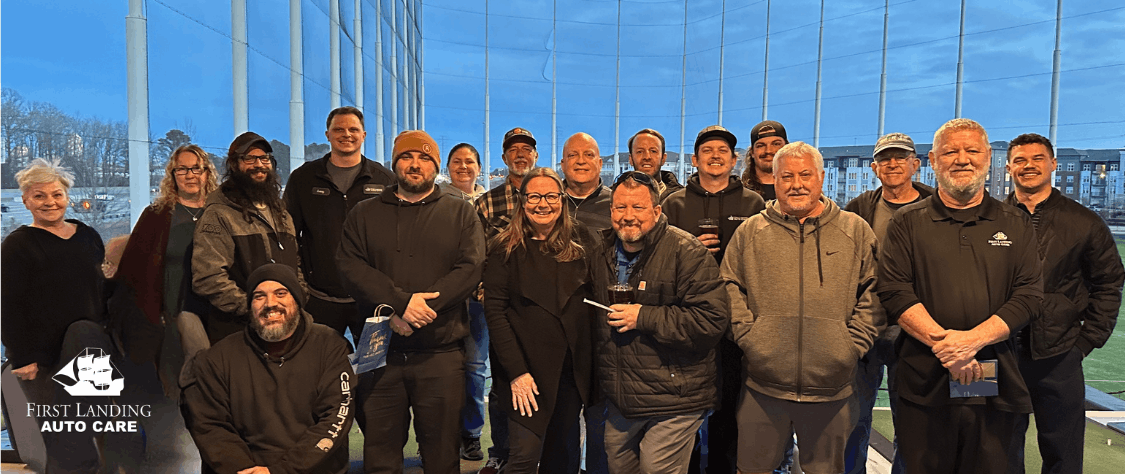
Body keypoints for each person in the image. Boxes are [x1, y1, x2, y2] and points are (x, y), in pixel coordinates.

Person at [878, 118, 1042, 474]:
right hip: (923, 381)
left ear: (988, 158)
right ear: (933, 160)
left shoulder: (1015, 223)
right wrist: (949, 348)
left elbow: (1029, 295)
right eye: (951, 151)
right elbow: (894, 290)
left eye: (972, 151)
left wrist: (971, 342)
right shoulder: (906, 222)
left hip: (995, 380)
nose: (962, 159)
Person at [723, 141, 884, 474]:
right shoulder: (751, 231)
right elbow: (728, 288)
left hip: (832, 390)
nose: (796, 184)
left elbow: (875, 293)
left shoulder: (854, 230)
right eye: (786, 176)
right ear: (774, 180)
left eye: (805, 175)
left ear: (821, 177)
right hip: (762, 388)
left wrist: (850, 346)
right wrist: (751, 339)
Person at [337, 130, 486, 473]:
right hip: (379, 351)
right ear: (395, 164)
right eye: (407, 157)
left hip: (441, 353)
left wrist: (422, 309)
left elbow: (470, 268)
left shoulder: (460, 214)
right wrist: (400, 304)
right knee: (380, 455)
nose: (415, 164)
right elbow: (350, 266)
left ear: (436, 166)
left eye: (424, 158)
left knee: (442, 455)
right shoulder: (363, 213)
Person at [1003, 133, 1124, 474]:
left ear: (1053, 164)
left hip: (1059, 355)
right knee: (995, 449)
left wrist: (1085, 342)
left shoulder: (1084, 222)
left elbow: (1109, 282)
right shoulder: (991, 218)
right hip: (997, 352)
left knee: (1063, 454)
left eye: (1037, 158)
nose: (1029, 165)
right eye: (1020, 160)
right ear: (1009, 167)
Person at [597, 171, 729, 474]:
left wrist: (643, 317)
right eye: (620, 207)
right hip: (622, 397)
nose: (628, 216)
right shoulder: (600, 250)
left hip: (676, 396)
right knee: (618, 467)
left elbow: (711, 320)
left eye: (638, 207)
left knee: (657, 468)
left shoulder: (687, 251)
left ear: (657, 211)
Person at [182, 263, 355, 474]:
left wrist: (281, 471)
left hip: (311, 467)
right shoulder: (218, 358)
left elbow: (336, 416)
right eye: (259, 296)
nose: (270, 304)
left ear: (297, 300)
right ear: (250, 306)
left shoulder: (331, 346)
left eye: (281, 293)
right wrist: (246, 470)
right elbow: (209, 425)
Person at [661, 125, 763, 474]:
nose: (715, 156)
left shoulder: (753, 203)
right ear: (694, 160)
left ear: (735, 160)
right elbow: (658, 259)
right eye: (707, 150)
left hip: (736, 322)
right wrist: (690, 249)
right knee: (684, 409)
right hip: (686, 320)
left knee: (730, 408)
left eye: (723, 151)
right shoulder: (673, 203)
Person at [1, 158, 114, 473]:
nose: (49, 202)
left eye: (56, 194)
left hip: (90, 350)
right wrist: (22, 357)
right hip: (43, 358)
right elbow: (9, 305)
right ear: (26, 200)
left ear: (67, 197)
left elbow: (101, 287)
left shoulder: (87, 235)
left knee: (90, 432)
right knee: (62, 438)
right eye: (39, 196)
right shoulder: (17, 245)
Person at [484, 167, 599, 474]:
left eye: (551, 196)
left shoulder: (583, 240)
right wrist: (517, 373)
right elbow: (495, 314)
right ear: (522, 201)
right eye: (534, 196)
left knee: (563, 456)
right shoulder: (504, 247)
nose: (542, 204)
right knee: (524, 456)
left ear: (562, 199)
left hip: (570, 370)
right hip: (525, 371)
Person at [841, 132, 932, 474]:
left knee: (912, 421)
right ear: (874, 168)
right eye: (885, 159)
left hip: (916, 330)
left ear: (915, 164)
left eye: (900, 157)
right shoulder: (858, 209)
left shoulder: (936, 207)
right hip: (866, 327)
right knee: (853, 419)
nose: (892, 164)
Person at [110, 144, 218, 399]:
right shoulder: (156, 215)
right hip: (170, 314)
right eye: (182, 169)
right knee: (180, 389)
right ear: (172, 175)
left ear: (207, 173)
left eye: (196, 168)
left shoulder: (221, 213)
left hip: (216, 312)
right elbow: (132, 272)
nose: (190, 175)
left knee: (215, 384)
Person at [285, 106, 396, 346]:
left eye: (353, 129)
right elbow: (288, 235)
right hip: (319, 298)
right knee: (319, 363)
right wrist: (300, 284)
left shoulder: (385, 180)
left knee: (373, 364)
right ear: (327, 134)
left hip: (371, 300)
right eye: (339, 129)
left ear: (363, 135)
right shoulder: (303, 179)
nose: (346, 134)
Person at [193, 131, 303, 344]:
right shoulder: (218, 214)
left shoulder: (280, 212)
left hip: (285, 327)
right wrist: (257, 309)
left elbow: (295, 264)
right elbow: (208, 278)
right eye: (249, 158)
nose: (259, 165)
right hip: (238, 332)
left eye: (264, 158)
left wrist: (298, 298)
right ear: (234, 165)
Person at [475, 126, 539, 473]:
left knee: (542, 377)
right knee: (501, 382)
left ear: (535, 156)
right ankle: (500, 451)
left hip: (539, 306)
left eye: (526, 149)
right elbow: (476, 256)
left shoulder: (550, 195)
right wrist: (484, 294)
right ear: (504, 158)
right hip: (501, 306)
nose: (520, 155)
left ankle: (538, 452)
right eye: (513, 150)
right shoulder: (487, 202)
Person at [440, 142, 490, 461]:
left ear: (479, 168)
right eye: (457, 161)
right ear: (447, 167)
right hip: (443, 300)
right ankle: (440, 435)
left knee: (474, 368)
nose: (463, 166)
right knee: (441, 369)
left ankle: (471, 434)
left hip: (478, 302)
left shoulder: (488, 203)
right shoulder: (436, 200)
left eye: (469, 161)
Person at [561, 132, 613, 232]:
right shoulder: (549, 202)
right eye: (572, 155)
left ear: (600, 164)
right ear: (562, 165)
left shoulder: (616, 203)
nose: (581, 161)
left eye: (589, 155)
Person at [628, 128, 683, 202]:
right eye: (640, 152)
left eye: (653, 151)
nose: (647, 157)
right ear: (631, 159)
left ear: (663, 158)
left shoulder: (682, 199)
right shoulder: (616, 197)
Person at [741, 120, 788, 201]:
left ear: (787, 148)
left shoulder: (799, 190)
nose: (768, 151)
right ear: (752, 152)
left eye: (776, 144)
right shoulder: (739, 193)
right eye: (761, 146)